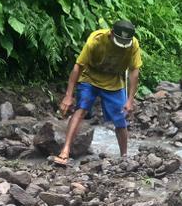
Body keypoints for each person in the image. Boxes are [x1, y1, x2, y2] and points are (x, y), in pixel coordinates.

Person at [54, 20, 142, 165]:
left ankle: (124, 157)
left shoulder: (133, 45)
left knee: (120, 118)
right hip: (90, 78)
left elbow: (134, 72)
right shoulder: (96, 40)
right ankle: (65, 150)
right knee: (81, 109)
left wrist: (130, 100)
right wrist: (68, 95)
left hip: (114, 81)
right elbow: (78, 66)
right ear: (111, 34)